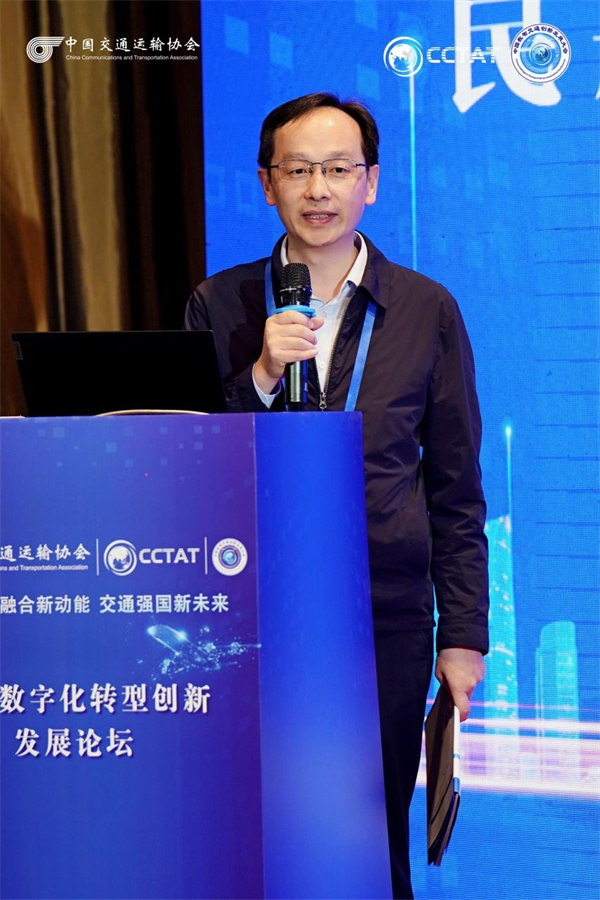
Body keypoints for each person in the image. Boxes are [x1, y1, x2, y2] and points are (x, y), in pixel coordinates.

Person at [185, 92, 489, 899]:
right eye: (298, 171)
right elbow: (191, 464)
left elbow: (457, 489)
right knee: (259, 832)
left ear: (371, 183)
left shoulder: (425, 309)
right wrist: (259, 375)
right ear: (266, 184)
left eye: (338, 170)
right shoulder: (219, 304)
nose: (318, 189)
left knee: (370, 832)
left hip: (382, 610)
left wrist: (463, 636)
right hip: (253, 608)